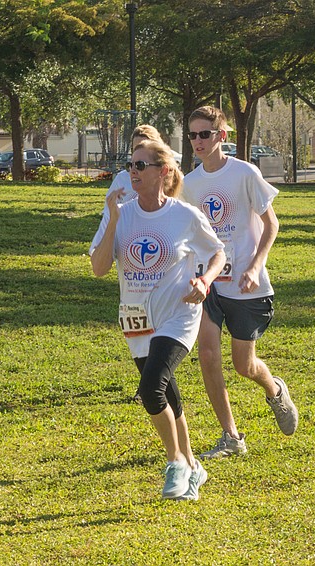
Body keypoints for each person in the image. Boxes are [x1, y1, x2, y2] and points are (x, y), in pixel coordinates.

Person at [90, 139, 226, 501]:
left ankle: (176, 463)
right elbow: (99, 268)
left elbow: (216, 252)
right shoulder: (120, 212)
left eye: (140, 166)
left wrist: (204, 280)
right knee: (167, 394)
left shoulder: (183, 215)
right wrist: (114, 219)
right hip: (136, 320)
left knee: (150, 388)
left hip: (178, 315)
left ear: (163, 172)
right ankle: (195, 466)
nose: (132, 171)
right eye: (130, 165)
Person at [181, 105, 298, 460]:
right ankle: (231, 436)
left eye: (205, 134)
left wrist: (254, 266)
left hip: (248, 286)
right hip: (210, 282)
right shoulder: (190, 183)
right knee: (207, 355)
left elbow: (271, 224)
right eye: (193, 135)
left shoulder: (245, 173)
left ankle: (275, 389)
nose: (198, 141)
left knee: (243, 365)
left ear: (222, 136)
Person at [92, 124, 169, 404]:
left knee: (163, 341)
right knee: (142, 340)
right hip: (134, 274)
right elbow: (107, 223)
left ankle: (152, 386)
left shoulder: (176, 195)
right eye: (132, 159)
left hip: (168, 279)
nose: (135, 167)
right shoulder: (122, 184)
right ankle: (150, 384)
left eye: (143, 158)